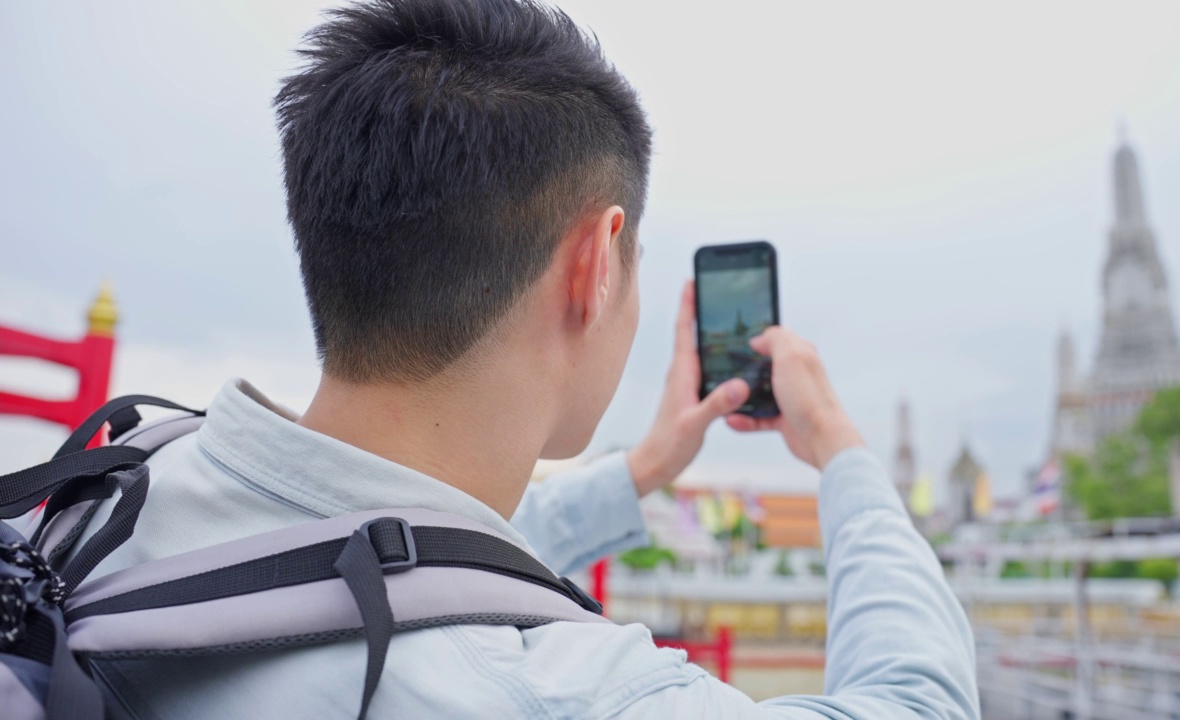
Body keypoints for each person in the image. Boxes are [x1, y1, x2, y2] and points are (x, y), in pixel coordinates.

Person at [80, 0, 978, 717]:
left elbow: (382, 561)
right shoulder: (556, 691)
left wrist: (645, 470)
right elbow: (918, 701)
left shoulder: (121, 492)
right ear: (594, 264)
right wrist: (841, 452)